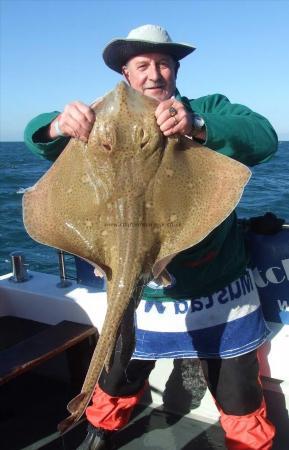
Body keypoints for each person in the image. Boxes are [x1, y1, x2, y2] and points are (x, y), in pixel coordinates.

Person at [24, 24, 278, 450]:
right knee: (117, 377)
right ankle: (97, 433)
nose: (153, 74)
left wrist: (197, 125)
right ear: (126, 74)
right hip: (143, 298)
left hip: (218, 288)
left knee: (240, 394)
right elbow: (41, 138)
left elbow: (263, 136)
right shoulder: (97, 119)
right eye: (142, 65)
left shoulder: (206, 108)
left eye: (163, 64)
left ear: (176, 71)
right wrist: (55, 126)